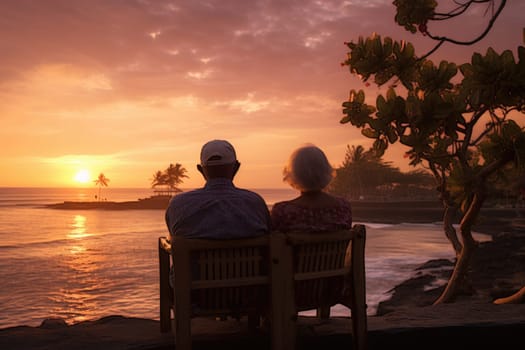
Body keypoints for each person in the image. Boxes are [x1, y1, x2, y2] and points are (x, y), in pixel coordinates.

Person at [165, 139, 271, 239]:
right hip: (249, 258)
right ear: (237, 168)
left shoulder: (178, 205)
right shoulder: (256, 204)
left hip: (197, 259)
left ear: (201, 170)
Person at [271, 144, 352, 232]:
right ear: (326, 171)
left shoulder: (283, 212)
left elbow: (274, 243)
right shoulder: (343, 208)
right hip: (335, 246)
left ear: (294, 174)